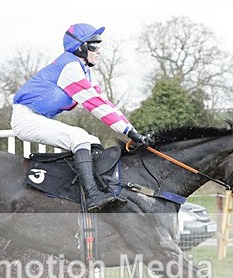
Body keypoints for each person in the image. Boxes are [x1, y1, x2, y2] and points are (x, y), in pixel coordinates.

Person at [11, 23, 149, 211]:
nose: (99, 50)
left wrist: (131, 130)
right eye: (94, 45)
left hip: (37, 117)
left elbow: (105, 103)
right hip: (26, 118)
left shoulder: (84, 71)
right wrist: (128, 132)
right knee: (79, 138)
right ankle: (92, 195)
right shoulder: (69, 68)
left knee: (91, 140)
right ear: (81, 47)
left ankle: (89, 189)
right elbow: (95, 105)